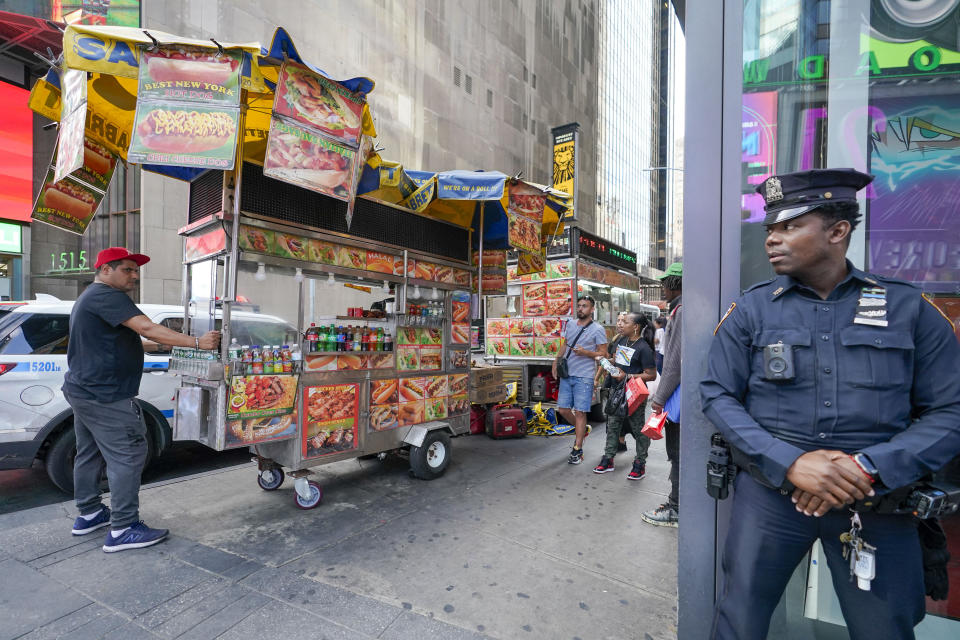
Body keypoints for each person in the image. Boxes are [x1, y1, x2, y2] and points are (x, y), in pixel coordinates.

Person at [700, 169, 960, 639]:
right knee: (739, 621)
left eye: (789, 226)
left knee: (884, 629)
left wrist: (867, 468)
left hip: (876, 501)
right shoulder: (753, 310)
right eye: (770, 229)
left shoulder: (909, 310)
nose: (772, 239)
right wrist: (792, 462)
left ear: (838, 231)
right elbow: (717, 394)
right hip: (772, 497)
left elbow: (951, 411)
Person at [64, 247, 221, 552]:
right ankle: (123, 528)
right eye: (127, 269)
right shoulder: (107, 295)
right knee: (129, 454)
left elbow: (126, 337)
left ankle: (90, 513)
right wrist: (196, 343)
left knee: (90, 453)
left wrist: (157, 347)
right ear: (105, 270)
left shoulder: (92, 297)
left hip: (85, 389)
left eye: (136, 271)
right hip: (106, 394)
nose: (134, 276)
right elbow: (146, 326)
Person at [641, 263, 683, 527]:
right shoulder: (683, 309)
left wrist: (659, 398)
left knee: (677, 452)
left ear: (674, 284)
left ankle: (677, 507)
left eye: (665, 283)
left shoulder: (681, 311)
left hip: (679, 396)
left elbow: (675, 362)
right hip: (683, 394)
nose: (663, 289)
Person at [593, 311, 657, 479]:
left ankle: (640, 463)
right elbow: (619, 362)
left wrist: (628, 376)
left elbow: (651, 375)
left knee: (638, 429)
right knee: (613, 426)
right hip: (617, 390)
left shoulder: (644, 348)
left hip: (633, 394)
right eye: (620, 321)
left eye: (625, 322)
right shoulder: (622, 341)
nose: (620, 324)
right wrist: (606, 362)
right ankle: (608, 458)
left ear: (635, 327)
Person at [552, 295, 608, 465]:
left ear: (592, 310)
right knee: (563, 410)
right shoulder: (569, 324)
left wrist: (586, 353)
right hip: (567, 374)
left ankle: (578, 448)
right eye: (579, 306)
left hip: (584, 376)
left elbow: (603, 354)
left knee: (581, 412)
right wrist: (555, 362)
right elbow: (565, 344)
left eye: (585, 306)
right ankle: (582, 430)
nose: (581, 308)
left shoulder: (598, 329)